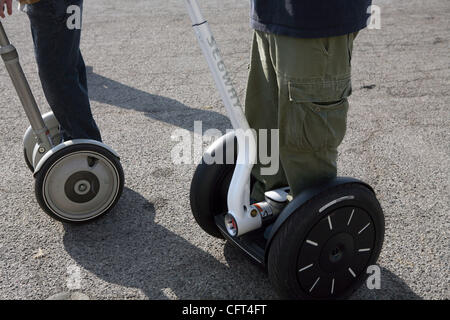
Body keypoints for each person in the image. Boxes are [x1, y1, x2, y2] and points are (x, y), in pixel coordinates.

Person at [246, 0, 372, 201]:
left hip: (314, 19)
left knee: (308, 149)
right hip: (268, 14)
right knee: (265, 129)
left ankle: (307, 222)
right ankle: (269, 211)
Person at [0, 0, 102, 142]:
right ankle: (78, 139)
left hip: (52, 5)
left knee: (58, 76)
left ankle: (86, 146)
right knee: (66, 67)